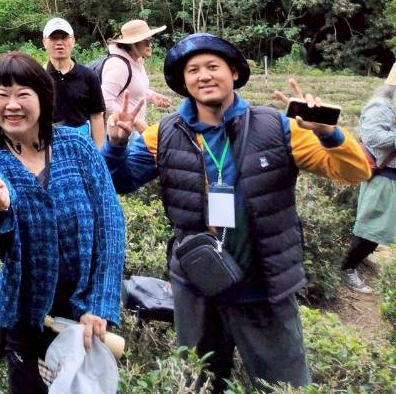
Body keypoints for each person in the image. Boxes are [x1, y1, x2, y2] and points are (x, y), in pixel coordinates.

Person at [102, 33, 370, 391]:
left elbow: (356, 171)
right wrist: (116, 146)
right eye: (193, 70)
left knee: (283, 384)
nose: (204, 76)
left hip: (264, 286)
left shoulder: (279, 127)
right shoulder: (163, 133)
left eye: (213, 66)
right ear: (184, 82)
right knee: (197, 381)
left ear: (234, 72)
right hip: (196, 286)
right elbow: (119, 182)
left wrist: (329, 134)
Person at [0, 52, 124, 394]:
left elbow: (110, 226)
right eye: (1, 95)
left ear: (42, 96)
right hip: (26, 318)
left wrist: (99, 303)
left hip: (85, 316)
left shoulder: (77, 147)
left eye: (23, 94)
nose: (12, 105)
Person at [340, 63, 396, 293]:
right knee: (370, 230)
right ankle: (345, 268)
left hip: (392, 178)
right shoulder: (380, 106)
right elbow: (373, 137)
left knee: (378, 229)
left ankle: (352, 263)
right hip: (383, 177)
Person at [41, 18, 106, 147]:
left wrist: (99, 154)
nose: (59, 42)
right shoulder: (38, 77)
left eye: (64, 37)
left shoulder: (88, 76)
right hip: (49, 143)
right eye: (53, 38)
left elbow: (97, 116)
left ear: (73, 41)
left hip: (81, 142)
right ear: (44, 43)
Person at [99, 19, 171, 131]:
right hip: (118, 132)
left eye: (150, 40)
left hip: (132, 130)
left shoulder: (136, 60)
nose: (150, 44)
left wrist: (151, 95)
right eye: (145, 41)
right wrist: (134, 120)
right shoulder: (118, 66)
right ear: (132, 44)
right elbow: (105, 101)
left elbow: (131, 86)